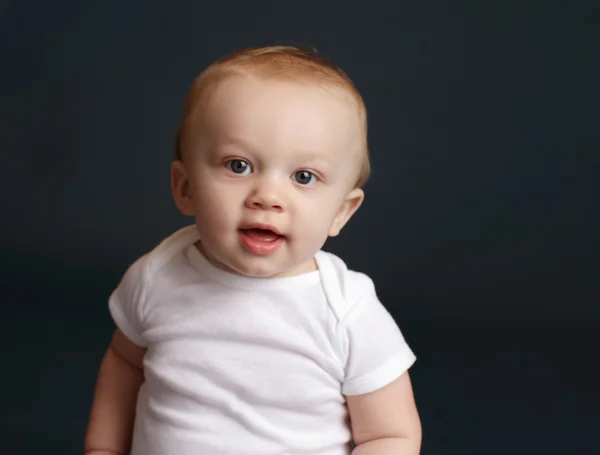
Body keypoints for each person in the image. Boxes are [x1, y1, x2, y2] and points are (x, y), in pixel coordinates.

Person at [84, 45, 421, 455]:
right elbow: (125, 363)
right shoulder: (156, 277)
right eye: (238, 165)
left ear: (341, 212)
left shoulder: (347, 312)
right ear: (185, 188)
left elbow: (390, 436)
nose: (268, 196)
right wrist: (103, 448)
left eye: (303, 176)